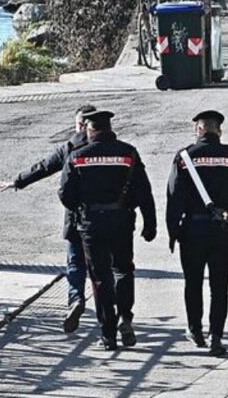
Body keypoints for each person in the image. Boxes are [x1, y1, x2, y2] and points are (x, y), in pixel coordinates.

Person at [58, 107, 156, 351]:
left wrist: (81, 209)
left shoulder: (78, 156)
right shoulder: (128, 153)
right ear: (110, 129)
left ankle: (108, 335)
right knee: (123, 270)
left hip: (90, 223)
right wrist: (149, 222)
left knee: (100, 278)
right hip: (122, 219)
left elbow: (65, 194)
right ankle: (126, 318)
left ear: (89, 130)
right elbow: (144, 190)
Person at [166, 110, 228, 356]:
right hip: (223, 229)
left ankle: (195, 330)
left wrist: (172, 231)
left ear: (198, 130)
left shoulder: (185, 157)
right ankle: (216, 337)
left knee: (193, 282)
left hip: (193, 230)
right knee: (220, 285)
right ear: (219, 130)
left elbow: (174, 197)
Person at [0, 105, 93, 332]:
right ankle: (114, 313)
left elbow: (44, 167)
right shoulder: (112, 148)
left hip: (76, 216)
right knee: (103, 267)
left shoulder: (70, 149)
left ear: (81, 125)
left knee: (75, 263)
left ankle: (76, 298)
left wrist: (17, 182)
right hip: (107, 217)